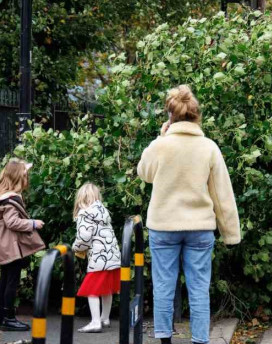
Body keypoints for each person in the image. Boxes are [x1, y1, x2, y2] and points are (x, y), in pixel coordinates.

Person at [137, 85, 241, 344]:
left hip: (163, 226)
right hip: (199, 228)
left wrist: (161, 138)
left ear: (170, 116)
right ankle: (199, 341)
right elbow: (222, 195)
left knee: (163, 286)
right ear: (196, 116)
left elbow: (144, 173)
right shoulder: (208, 148)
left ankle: (164, 340)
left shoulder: (161, 146)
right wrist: (230, 234)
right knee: (198, 289)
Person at [0, 159, 45, 332]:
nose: (27, 178)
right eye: (25, 175)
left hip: (1, 244)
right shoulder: (11, 199)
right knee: (11, 282)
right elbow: (12, 222)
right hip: (10, 245)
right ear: (18, 178)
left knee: (4, 280)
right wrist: (33, 223)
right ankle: (9, 318)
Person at [72, 183, 122, 333]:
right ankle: (104, 318)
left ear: (81, 198)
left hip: (99, 260)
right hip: (112, 258)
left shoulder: (85, 214)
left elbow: (84, 238)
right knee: (106, 290)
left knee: (91, 290)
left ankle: (95, 322)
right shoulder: (103, 212)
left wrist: (75, 248)